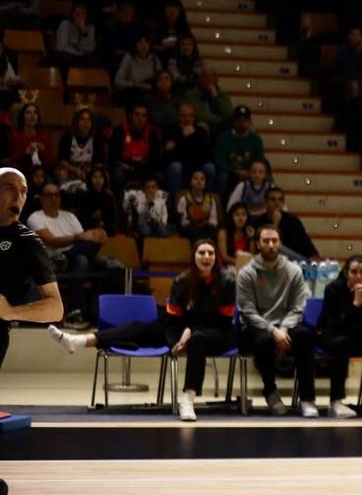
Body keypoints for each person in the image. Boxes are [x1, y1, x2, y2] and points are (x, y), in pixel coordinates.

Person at [48, 238, 235, 421]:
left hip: (216, 333)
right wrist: (178, 340)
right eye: (201, 252)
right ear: (193, 256)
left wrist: (189, 333)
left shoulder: (227, 282)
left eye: (210, 253)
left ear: (216, 257)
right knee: (139, 327)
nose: (206, 257)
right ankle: (79, 341)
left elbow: (223, 320)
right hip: (182, 331)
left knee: (198, 338)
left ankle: (188, 399)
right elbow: (174, 320)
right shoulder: (182, 281)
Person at [236, 224, 318, 417]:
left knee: (305, 336)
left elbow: (298, 307)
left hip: (286, 325)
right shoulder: (246, 273)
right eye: (266, 241)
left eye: (274, 241)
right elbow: (247, 311)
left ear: (280, 243)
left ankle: (307, 399)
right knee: (263, 341)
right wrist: (273, 331)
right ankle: (271, 393)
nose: (271, 245)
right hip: (257, 326)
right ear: (258, 244)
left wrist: (285, 329)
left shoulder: (294, 271)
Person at [0, 167, 63, 370]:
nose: (18, 196)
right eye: (10, 188)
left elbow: (56, 308)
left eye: (23, 191)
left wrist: (11, 312)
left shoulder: (28, 242)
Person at [26, 182, 105, 329]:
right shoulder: (35, 218)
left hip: (71, 262)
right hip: (50, 263)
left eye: (57, 194)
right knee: (82, 260)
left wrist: (97, 235)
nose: (53, 198)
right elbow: (52, 241)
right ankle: (75, 311)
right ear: (41, 198)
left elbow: (86, 242)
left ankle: (66, 258)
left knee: (87, 254)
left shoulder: (69, 217)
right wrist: (80, 237)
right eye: (49, 195)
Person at [318, 254, 362, 419]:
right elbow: (334, 323)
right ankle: (336, 401)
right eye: (354, 272)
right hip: (333, 334)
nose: (359, 276)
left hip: (359, 335)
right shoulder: (333, 289)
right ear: (346, 273)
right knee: (341, 343)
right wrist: (355, 305)